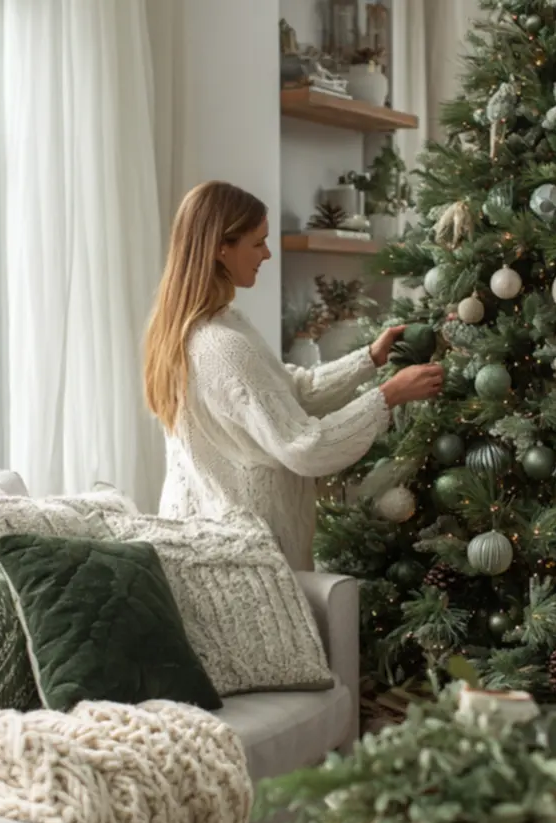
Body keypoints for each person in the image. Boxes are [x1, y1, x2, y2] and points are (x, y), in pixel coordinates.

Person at [144, 181, 443, 570]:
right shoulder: (222, 345)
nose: (267, 254)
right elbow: (304, 447)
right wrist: (387, 397)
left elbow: (290, 393)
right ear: (221, 248)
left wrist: (369, 358)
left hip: (205, 540)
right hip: (243, 556)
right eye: (257, 243)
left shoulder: (203, 328)